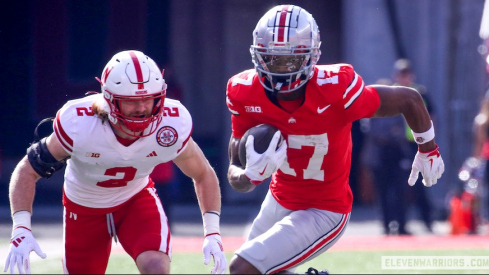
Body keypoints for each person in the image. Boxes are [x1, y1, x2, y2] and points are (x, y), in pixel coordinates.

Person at [225, 5, 444, 274]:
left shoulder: (336, 88)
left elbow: (409, 99)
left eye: (290, 60)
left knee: (241, 269)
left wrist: (428, 149)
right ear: (257, 55)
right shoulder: (244, 92)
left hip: (324, 210)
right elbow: (234, 171)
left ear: (311, 56)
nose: (280, 69)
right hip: (279, 199)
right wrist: (249, 177)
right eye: (271, 58)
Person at [4, 50, 227, 274]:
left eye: (148, 99)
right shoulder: (79, 124)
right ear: (109, 100)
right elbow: (26, 171)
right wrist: (21, 227)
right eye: (131, 101)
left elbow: (203, 173)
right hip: (83, 207)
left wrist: (212, 232)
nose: (141, 108)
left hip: (135, 200)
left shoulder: (170, 123)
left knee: (156, 268)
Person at [393, 59, 436, 233]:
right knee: (399, 186)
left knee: (422, 185)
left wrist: (430, 143)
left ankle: (427, 221)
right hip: (397, 146)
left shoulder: (420, 93)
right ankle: (400, 224)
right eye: (401, 74)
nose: (405, 77)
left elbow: (432, 117)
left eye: (407, 74)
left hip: (416, 145)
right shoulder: (391, 92)